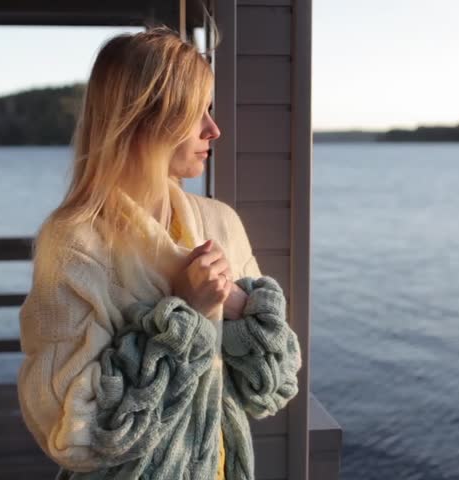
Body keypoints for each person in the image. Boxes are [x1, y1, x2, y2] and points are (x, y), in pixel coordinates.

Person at [17, 26, 301, 480]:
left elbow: (273, 386)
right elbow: (70, 429)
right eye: (197, 113)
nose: (214, 128)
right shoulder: (75, 244)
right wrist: (186, 317)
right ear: (145, 119)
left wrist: (239, 304)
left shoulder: (219, 224)